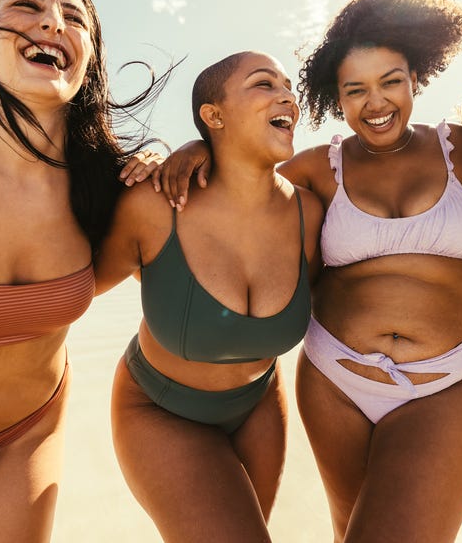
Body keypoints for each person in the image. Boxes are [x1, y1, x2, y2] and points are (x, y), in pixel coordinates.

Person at [158, 0, 462, 543]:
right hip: (334, 381)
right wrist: (199, 146)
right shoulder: (317, 167)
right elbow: (241, 180)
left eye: (392, 82)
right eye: (355, 89)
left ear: (415, 79)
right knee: (348, 529)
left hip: (446, 385)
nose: (377, 102)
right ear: (334, 98)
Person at [0, 0, 166, 542]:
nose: (52, 23)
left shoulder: (113, 189)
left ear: (87, 59)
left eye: (73, 19)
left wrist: (191, 157)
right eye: (26, 6)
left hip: (22, 436)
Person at [93, 50, 323, 543]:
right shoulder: (153, 206)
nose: (288, 96)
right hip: (158, 409)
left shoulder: (311, 214)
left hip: (260, 405)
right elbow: (73, 290)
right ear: (213, 116)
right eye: (264, 84)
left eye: (288, 86)